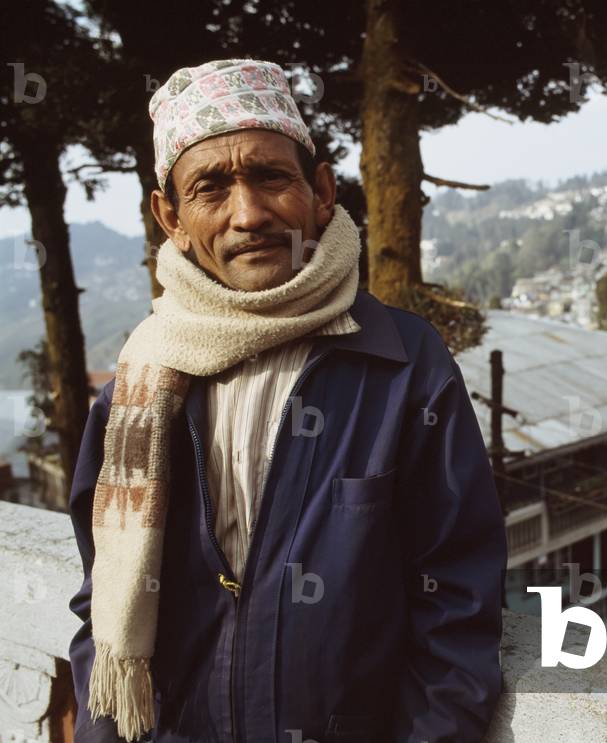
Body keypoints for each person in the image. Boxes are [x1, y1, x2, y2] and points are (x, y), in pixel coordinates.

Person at [67, 58, 506, 743]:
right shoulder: (139, 381)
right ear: (170, 218)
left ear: (322, 191)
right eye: (210, 187)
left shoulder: (402, 363)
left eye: (270, 176)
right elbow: (104, 596)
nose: (249, 215)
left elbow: (457, 594)